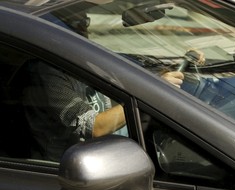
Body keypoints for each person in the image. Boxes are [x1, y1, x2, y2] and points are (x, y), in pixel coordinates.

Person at [22, 12, 185, 162]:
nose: (82, 28)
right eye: (73, 23)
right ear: (54, 30)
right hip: (73, 170)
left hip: (110, 150)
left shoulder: (83, 56)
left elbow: (132, 68)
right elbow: (95, 128)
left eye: (84, 21)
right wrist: (152, 94)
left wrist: (179, 61)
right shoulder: (46, 72)